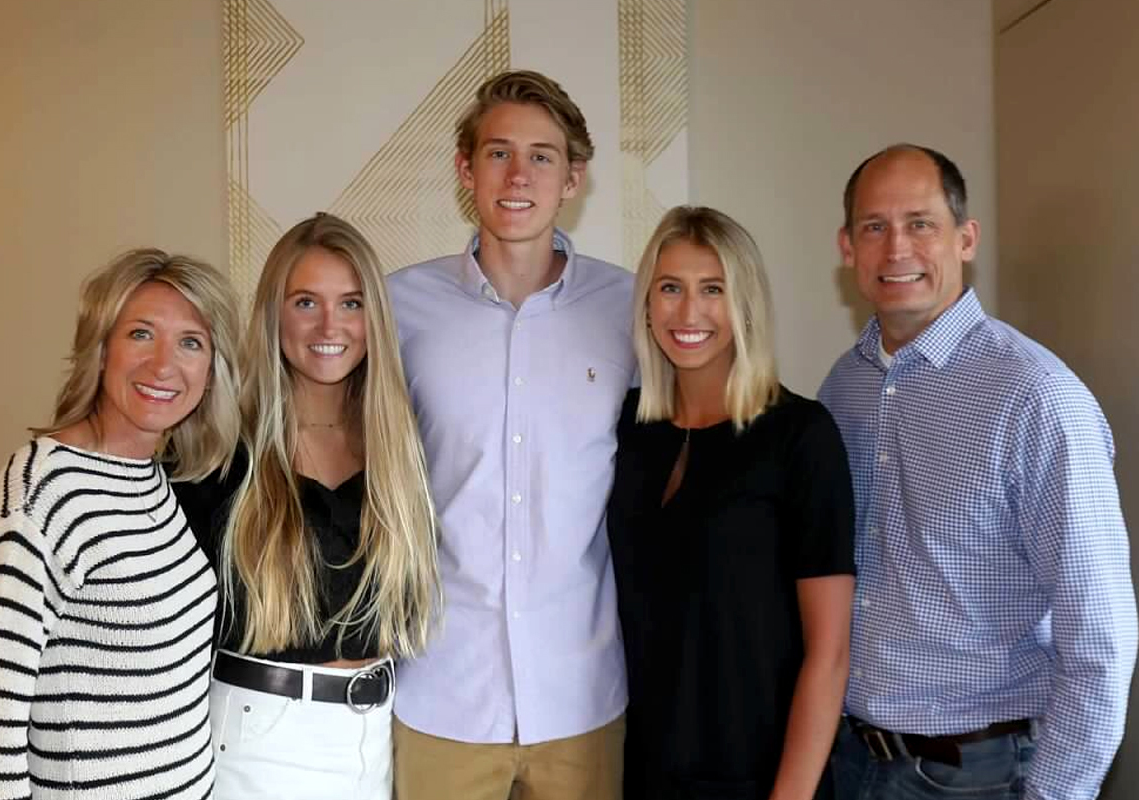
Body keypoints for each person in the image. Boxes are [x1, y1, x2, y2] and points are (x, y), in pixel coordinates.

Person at [819, 143, 1137, 800]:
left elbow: (1099, 633)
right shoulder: (843, 388)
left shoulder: (1036, 397)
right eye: (874, 227)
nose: (896, 248)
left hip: (980, 773)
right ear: (847, 248)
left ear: (965, 238)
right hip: (851, 758)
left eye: (920, 223)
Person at [387, 70, 633, 800]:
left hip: (583, 698)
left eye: (543, 155)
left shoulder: (632, 309)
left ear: (574, 178)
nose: (519, 174)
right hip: (440, 693)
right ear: (466, 170)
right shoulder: (399, 307)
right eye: (497, 153)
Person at [0, 249, 241, 799]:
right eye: (141, 334)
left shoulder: (154, 480)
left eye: (190, 343)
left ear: (210, 372)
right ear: (101, 350)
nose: (164, 365)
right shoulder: (41, 490)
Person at [173, 213, 440, 800]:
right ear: (274, 312)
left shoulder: (399, 446)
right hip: (258, 738)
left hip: (377, 735)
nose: (329, 325)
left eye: (351, 303)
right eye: (305, 302)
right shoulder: (220, 448)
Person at [609, 205, 854, 800]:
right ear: (647, 302)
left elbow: (831, 652)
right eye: (670, 288)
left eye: (712, 289)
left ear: (743, 303)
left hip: (760, 775)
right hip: (643, 772)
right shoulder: (627, 432)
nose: (689, 312)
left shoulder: (799, 435)